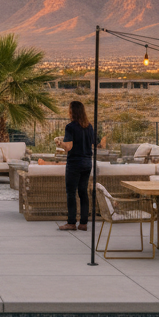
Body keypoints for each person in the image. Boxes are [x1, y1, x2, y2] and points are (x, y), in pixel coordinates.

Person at [57, 99, 97, 231]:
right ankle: (84, 223)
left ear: (72, 112)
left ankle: (71, 222)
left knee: (71, 193)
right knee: (83, 192)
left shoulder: (70, 127)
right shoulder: (89, 126)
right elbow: (95, 143)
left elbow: (68, 147)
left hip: (74, 163)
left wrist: (59, 143)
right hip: (87, 162)